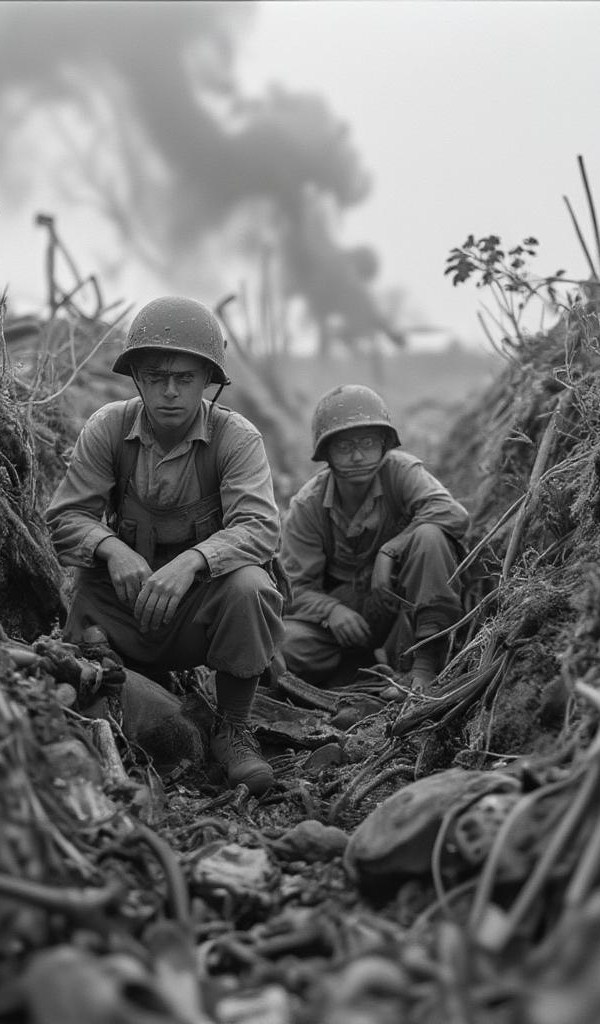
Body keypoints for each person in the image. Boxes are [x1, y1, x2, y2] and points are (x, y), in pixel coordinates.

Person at [46, 296, 284, 795]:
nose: (170, 391)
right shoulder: (108, 427)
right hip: (124, 607)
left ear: (207, 382)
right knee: (87, 607)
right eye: (156, 377)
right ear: (137, 378)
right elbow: (65, 518)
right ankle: (107, 709)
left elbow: (261, 527)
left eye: (185, 378)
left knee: (250, 585)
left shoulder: (236, 438)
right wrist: (114, 549)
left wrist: (194, 561)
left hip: (197, 611)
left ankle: (234, 728)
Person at [279, 384, 469, 694]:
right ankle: (354, 676)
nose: (356, 456)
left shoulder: (401, 472)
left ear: (384, 445)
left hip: (402, 605)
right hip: (344, 622)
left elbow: (452, 513)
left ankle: (424, 668)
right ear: (326, 453)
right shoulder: (307, 505)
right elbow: (294, 588)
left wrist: (391, 550)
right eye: (344, 447)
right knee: (281, 646)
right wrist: (331, 613)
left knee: (430, 535)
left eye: (367, 443)